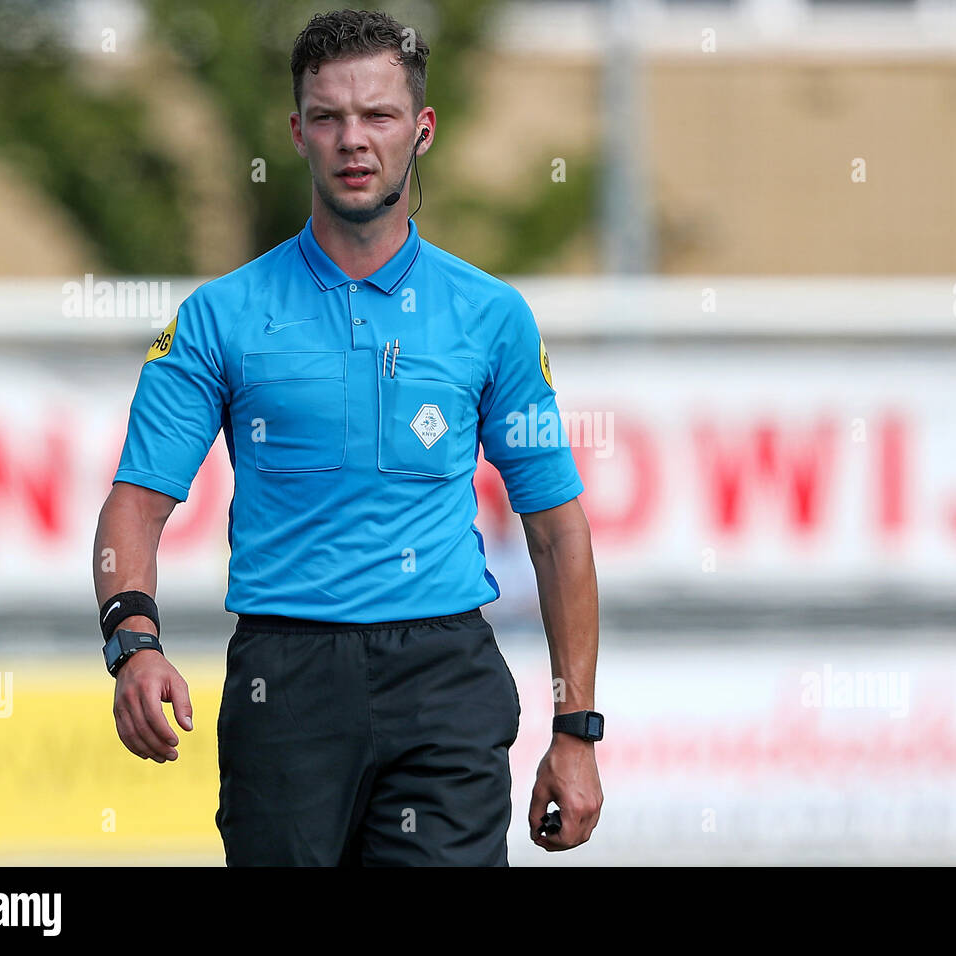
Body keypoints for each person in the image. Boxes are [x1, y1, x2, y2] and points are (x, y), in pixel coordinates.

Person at [91, 8, 603, 866]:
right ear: (297, 132)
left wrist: (576, 729)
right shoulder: (221, 316)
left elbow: (556, 532)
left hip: (445, 677)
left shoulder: (492, 316)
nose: (352, 140)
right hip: (283, 680)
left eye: (379, 116)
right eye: (328, 117)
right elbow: (132, 510)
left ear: (422, 130)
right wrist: (132, 644)